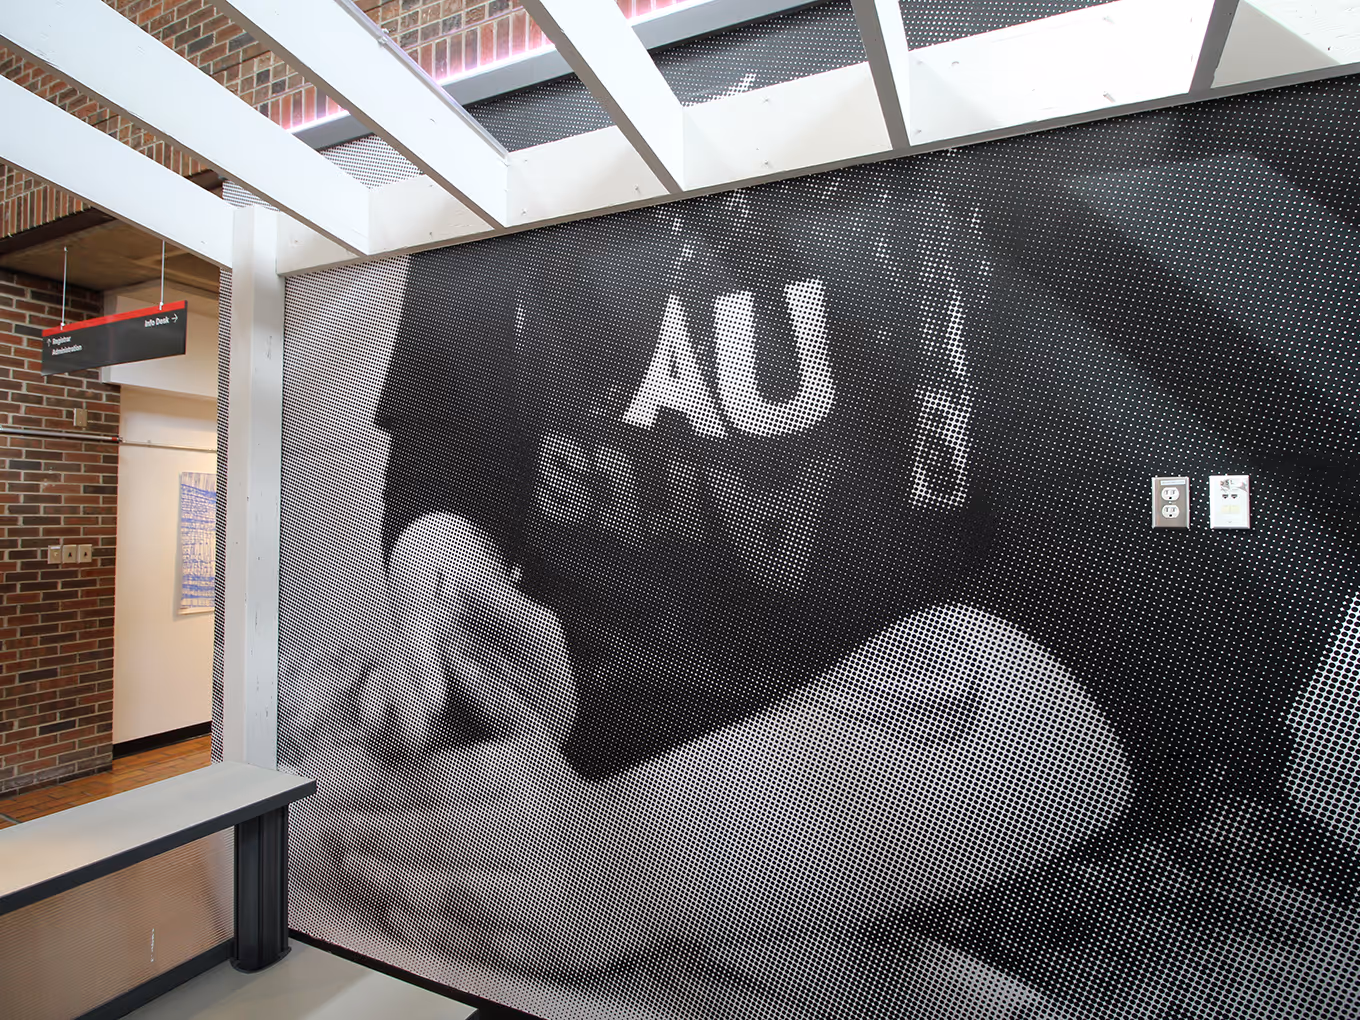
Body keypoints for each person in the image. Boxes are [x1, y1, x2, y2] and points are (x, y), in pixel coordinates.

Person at [284, 169, 1132, 1017]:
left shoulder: (1014, 86)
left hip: (930, 865)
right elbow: (455, 440)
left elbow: (1151, 600)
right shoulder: (492, 139)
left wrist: (634, 856)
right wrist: (453, 610)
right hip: (556, 794)